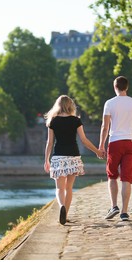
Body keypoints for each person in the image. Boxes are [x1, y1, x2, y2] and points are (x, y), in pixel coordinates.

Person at [44, 95, 103, 225]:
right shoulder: (76, 120)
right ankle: (66, 214)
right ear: (71, 105)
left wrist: (46, 160)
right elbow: (84, 140)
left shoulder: (53, 121)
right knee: (69, 188)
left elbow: (50, 142)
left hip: (58, 157)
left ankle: (61, 207)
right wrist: (97, 151)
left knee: (59, 188)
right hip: (73, 156)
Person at [99, 76, 132, 221]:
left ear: (115, 87)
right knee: (126, 178)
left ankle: (114, 206)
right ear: (127, 87)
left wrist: (101, 145)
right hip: (130, 142)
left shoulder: (109, 103)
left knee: (112, 175)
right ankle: (124, 212)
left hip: (115, 142)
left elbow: (105, 127)